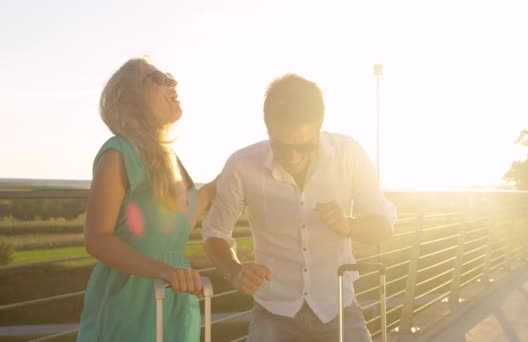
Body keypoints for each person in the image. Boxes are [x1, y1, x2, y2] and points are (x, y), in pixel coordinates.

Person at [203, 74, 397, 342]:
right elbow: (215, 234)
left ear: (319, 128)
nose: (293, 157)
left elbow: (384, 226)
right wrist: (235, 271)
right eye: (282, 147)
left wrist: (349, 226)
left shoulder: (349, 154)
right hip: (273, 311)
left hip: (337, 306)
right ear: (268, 130)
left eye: (305, 146)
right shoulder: (241, 165)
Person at [77, 57, 216, 341]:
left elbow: (171, 230)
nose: (173, 82)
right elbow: (97, 238)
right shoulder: (118, 152)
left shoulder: (170, 159)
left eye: (169, 75)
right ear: (130, 98)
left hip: (175, 295)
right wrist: (165, 271)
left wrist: (224, 182)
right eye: (158, 78)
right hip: (130, 302)